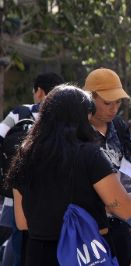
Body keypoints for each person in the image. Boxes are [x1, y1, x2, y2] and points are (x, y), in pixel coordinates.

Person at [7, 85, 131, 266]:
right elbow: (124, 208)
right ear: (79, 117)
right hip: (85, 253)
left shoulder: (25, 155)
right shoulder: (89, 154)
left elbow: (22, 222)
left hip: (38, 254)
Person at [84, 68, 131, 266]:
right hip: (89, 222)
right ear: (89, 98)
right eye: (107, 103)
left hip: (121, 220)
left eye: (118, 102)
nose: (114, 108)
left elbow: (127, 163)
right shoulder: (76, 130)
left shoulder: (120, 126)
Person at [0, 72, 64, 266]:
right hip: (51, 198)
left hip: (15, 194)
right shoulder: (64, 120)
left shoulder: (19, 113)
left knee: (17, 241)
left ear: (38, 92)